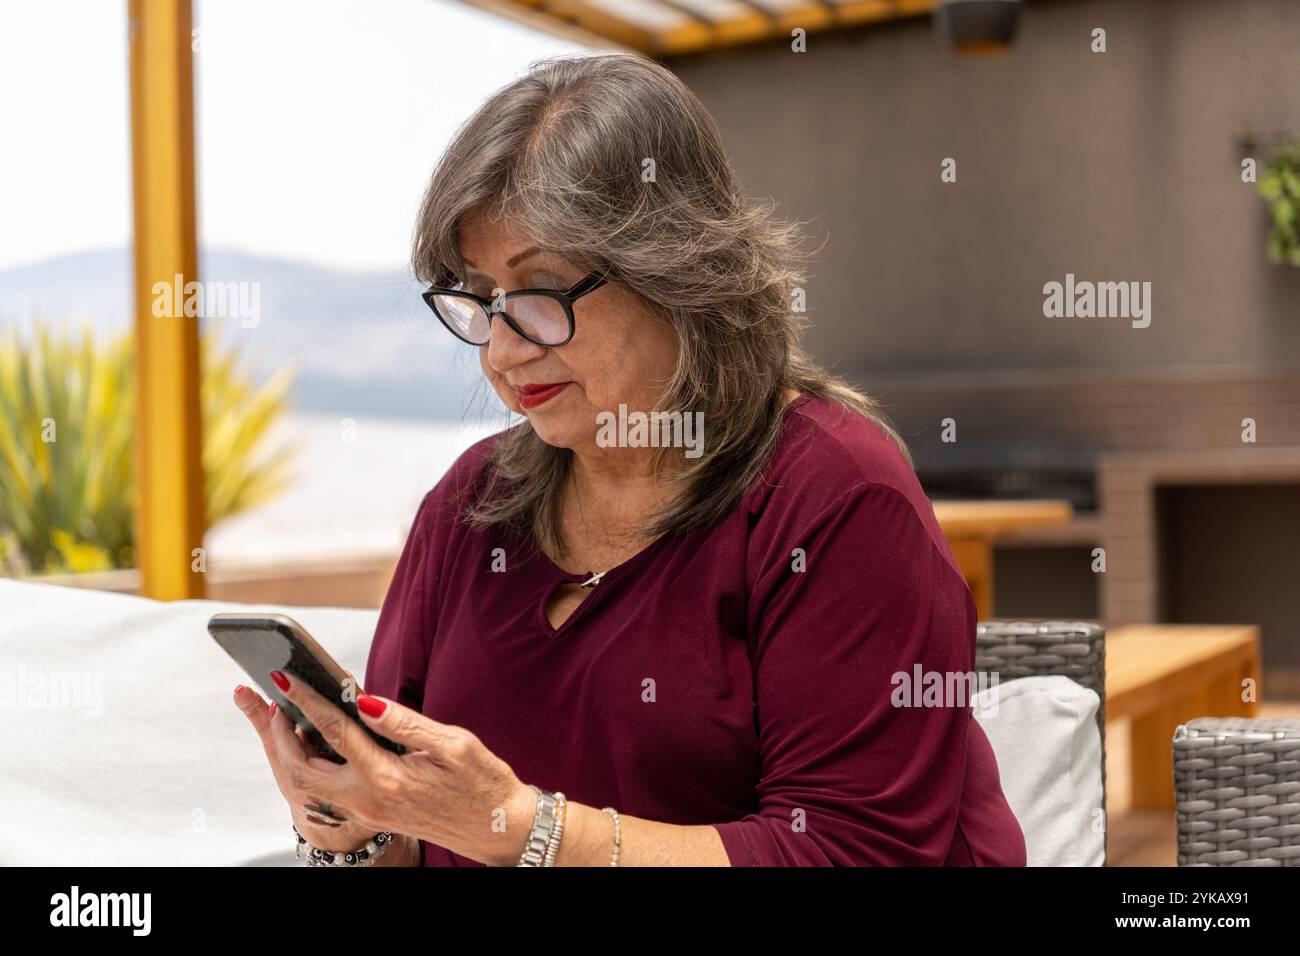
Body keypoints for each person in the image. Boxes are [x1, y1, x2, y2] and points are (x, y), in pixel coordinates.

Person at [234, 51, 1026, 867]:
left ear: (677, 270)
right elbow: (412, 835)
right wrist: (345, 821)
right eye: (480, 298)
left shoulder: (836, 496)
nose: (502, 352)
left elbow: (855, 852)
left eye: (541, 290)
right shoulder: (470, 505)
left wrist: (524, 828)